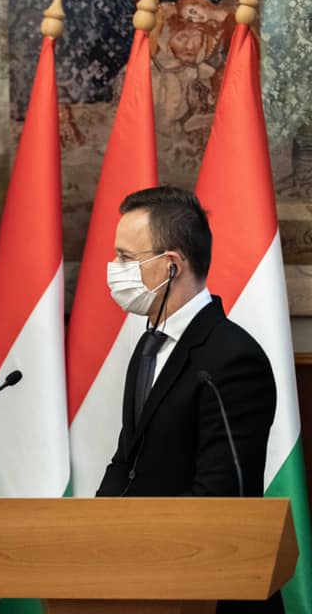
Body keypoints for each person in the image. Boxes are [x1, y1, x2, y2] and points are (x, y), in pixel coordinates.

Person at [96, 187, 280, 614]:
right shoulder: (149, 346)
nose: (115, 269)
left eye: (126, 258)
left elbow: (219, 494)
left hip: (206, 589)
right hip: (140, 583)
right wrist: (91, 537)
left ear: (172, 265)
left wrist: (139, 550)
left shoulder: (233, 358)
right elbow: (127, 460)